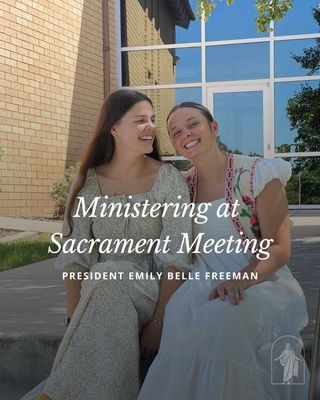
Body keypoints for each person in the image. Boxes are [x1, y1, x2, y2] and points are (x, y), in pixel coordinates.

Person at [21, 90, 192, 400]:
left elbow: (177, 259)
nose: (150, 127)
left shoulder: (169, 181)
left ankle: (56, 393)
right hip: (101, 293)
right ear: (114, 129)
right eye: (140, 120)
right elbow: (75, 261)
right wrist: (74, 322)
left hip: (150, 294)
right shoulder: (86, 182)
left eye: (152, 120)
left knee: (108, 273)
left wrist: (157, 322)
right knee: (106, 278)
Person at [138, 102, 309, 400]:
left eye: (193, 124)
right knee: (182, 315)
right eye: (176, 132)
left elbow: (280, 249)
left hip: (260, 279)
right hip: (201, 283)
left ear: (214, 128)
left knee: (224, 317)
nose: (186, 134)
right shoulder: (181, 187)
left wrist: (240, 280)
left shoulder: (257, 173)